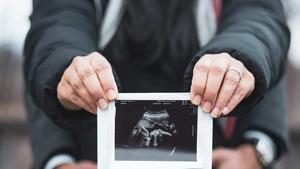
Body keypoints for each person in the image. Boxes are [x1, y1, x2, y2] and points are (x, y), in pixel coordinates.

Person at [24, 0, 290, 168]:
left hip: (220, 155)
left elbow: (262, 25)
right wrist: (58, 161)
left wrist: (257, 151)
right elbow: (50, 38)